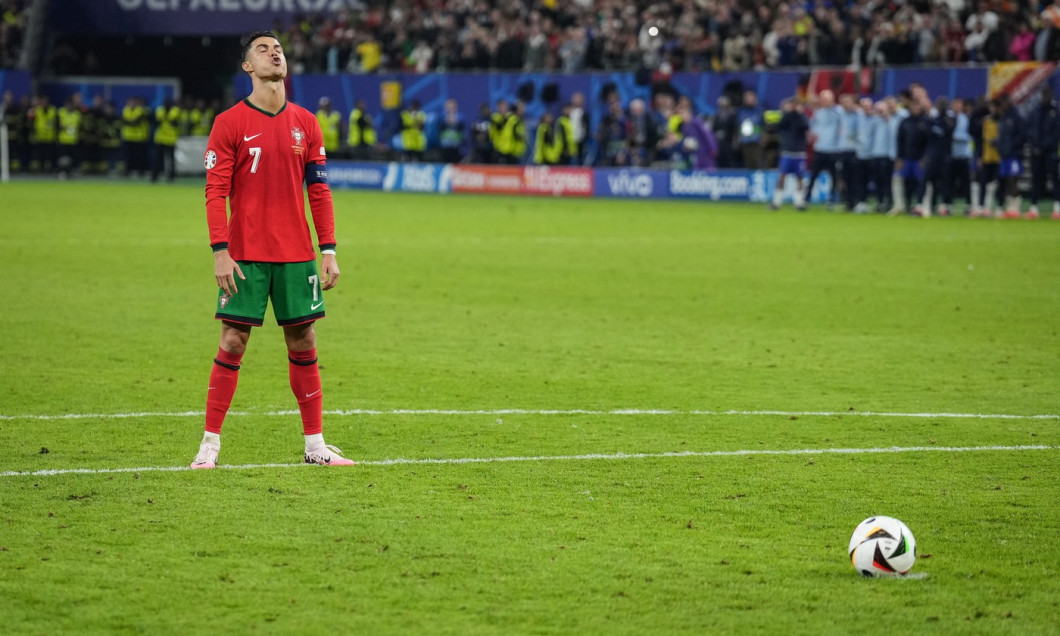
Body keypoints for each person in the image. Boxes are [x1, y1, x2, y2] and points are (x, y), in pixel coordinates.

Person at [191, 29, 352, 469]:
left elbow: (319, 191)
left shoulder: (306, 122)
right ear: (248, 67)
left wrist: (330, 249)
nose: (274, 53)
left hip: (297, 253)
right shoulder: (229, 123)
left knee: (304, 338)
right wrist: (220, 250)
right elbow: (214, 191)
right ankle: (209, 445)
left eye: (278, 49)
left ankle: (315, 446)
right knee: (233, 341)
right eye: (263, 50)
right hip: (244, 253)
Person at [771, 96, 809, 211]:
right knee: (782, 176)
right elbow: (780, 126)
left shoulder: (802, 118)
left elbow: (805, 127)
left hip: (799, 152)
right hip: (787, 151)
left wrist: (799, 114)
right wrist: (788, 113)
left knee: (799, 177)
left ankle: (799, 202)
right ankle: (776, 202)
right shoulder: (785, 117)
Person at [1027, 87, 1060, 219]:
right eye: (1044, 94)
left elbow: (1056, 132)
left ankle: (1057, 207)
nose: (1046, 97)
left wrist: (1046, 146)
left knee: (1054, 179)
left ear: (1052, 95)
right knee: (1035, 180)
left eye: (1048, 94)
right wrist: (1035, 146)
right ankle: (1034, 207)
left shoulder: (1055, 112)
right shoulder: (1035, 112)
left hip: (1050, 151)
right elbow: (1030, 131)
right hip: (1036, 151)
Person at [805, 90, 841, 208]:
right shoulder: (818, 113)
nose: (825, 101)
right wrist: (812, 136)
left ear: (832, 99)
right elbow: (812, 128)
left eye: (828, 99)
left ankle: (831, 200)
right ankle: (806, 199)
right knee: (814, 175)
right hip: (820, 149)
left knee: (834, 176)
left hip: (833, 150)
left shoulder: (838, 112)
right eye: (823, 99)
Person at [151, 97, 181, 182]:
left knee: (171, 160)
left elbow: (175, 122)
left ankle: (171, 177)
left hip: (170, 139)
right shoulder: (159, 110)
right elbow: (156, 121)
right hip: (160, 138)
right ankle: (155, 176)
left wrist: (166, 118)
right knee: (157, 159)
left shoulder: (175, 111)